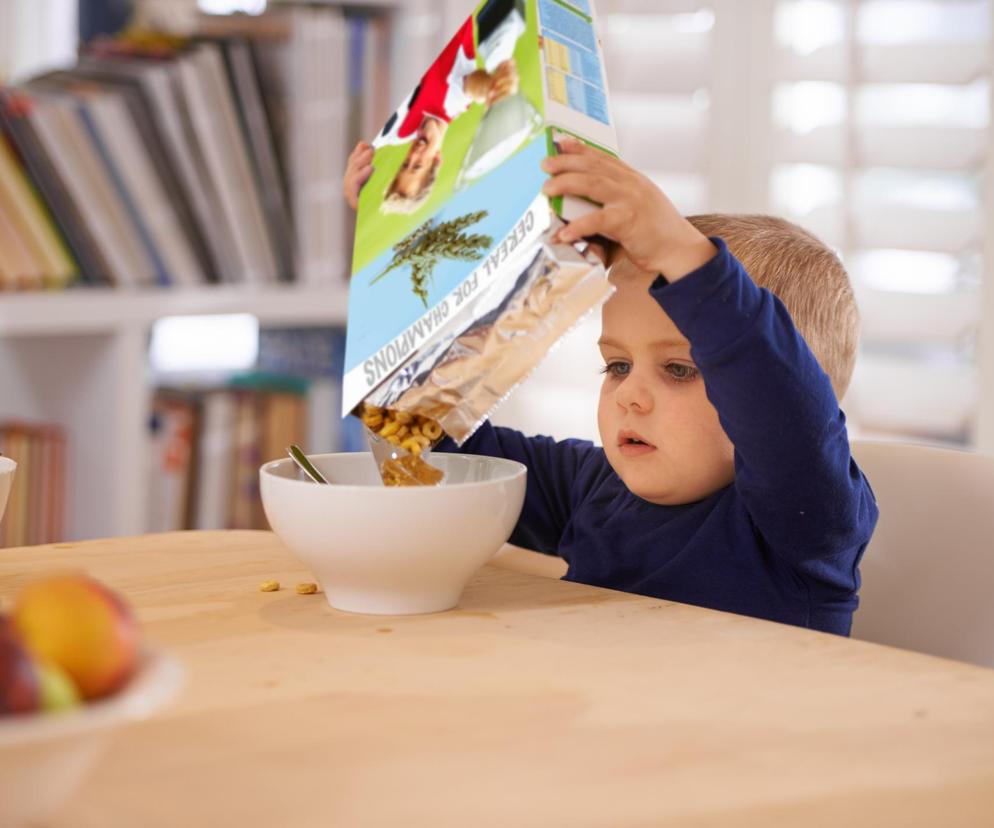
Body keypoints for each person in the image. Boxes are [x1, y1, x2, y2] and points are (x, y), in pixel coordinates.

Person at [343, 137, 878, 635]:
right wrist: (394, 252)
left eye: (679, 370)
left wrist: (679, 251)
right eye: (617, 366)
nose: (628, 395)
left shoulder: (806, 518)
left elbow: (776, 398)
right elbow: (428, 441)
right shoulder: (591, 485)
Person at [360, 15, 519, 215]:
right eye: (417, 165)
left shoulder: (393, 134)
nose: (414, 153)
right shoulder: (456, 99)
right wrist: (495, 87)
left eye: (405, 163)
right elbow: (475, 87)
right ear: (436, 160)